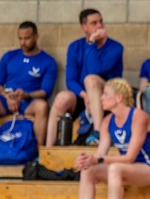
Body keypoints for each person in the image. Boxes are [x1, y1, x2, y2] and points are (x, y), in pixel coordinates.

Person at [60, 78, 150, 199]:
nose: (101, 98)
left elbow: (129, 157)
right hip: (126, 168)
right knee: (88, 168)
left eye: (105, 94)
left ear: (119, 97)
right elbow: (101, 154)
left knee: (115, 168)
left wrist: (97, 159)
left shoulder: (138, 117)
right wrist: (88, 160)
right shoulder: (107, 121)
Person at [47, 9, 125, 148]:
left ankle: (98, 132)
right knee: (61, 97)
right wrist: (84, 96)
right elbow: (70, 80)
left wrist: (91, 44)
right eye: (94, 23)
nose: (99, 26)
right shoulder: (75, 47)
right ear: (84, 27)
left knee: (91, 80)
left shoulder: (115, 47)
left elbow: (95, 70)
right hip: (84, 98)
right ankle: (48, 149)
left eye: (101, 22)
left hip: (108, 96)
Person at [0, 21, 57, 151]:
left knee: (42, 106)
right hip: (6, 101)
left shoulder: (48, 61)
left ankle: (37, 152)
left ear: (36, 37)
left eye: (27, 38)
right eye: (20, 38)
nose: (23, 42)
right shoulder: (9, 56)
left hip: (29, 102)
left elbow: (46, 91)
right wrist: (7, 96)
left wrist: (26, 95)